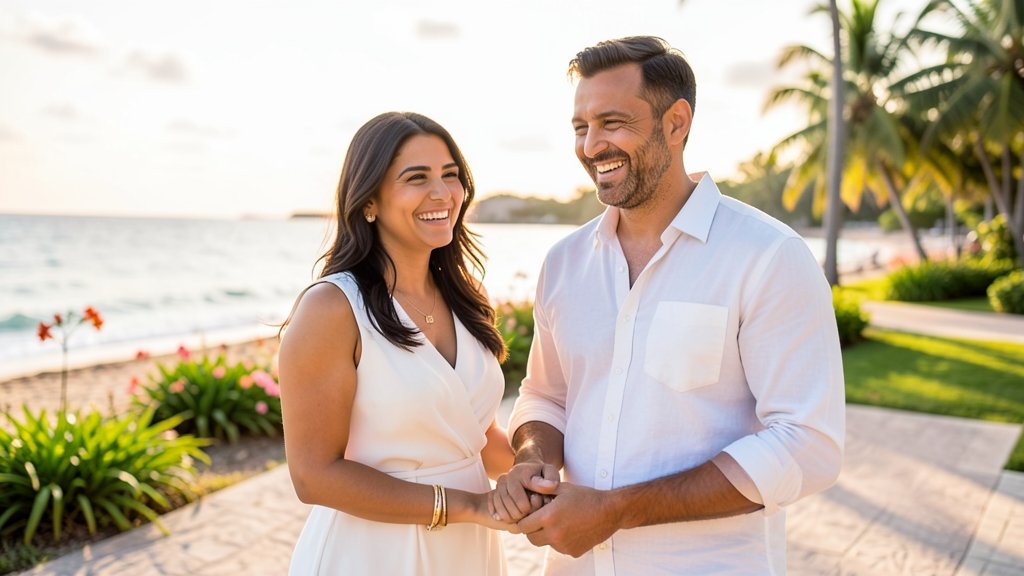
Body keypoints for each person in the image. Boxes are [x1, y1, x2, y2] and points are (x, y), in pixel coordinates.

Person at [493, 36, 846, 574]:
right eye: (580, 128)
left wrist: (615, 511)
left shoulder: (768, 256)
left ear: (676, 123)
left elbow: (807, 445)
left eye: (612, 123)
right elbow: (546, 395)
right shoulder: (564, 263)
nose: (591, 147)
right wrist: (531, 460)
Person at [280, 111, 516, 574]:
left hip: (470, 551)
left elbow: (474, 434)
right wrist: (468, 507)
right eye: (416, 178)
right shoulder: (331, 309)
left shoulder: (467, 295)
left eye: (451, 175)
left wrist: (534, 472)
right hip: (371, 553)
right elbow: (314, 476)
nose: (441, 193)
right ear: (369, 201)